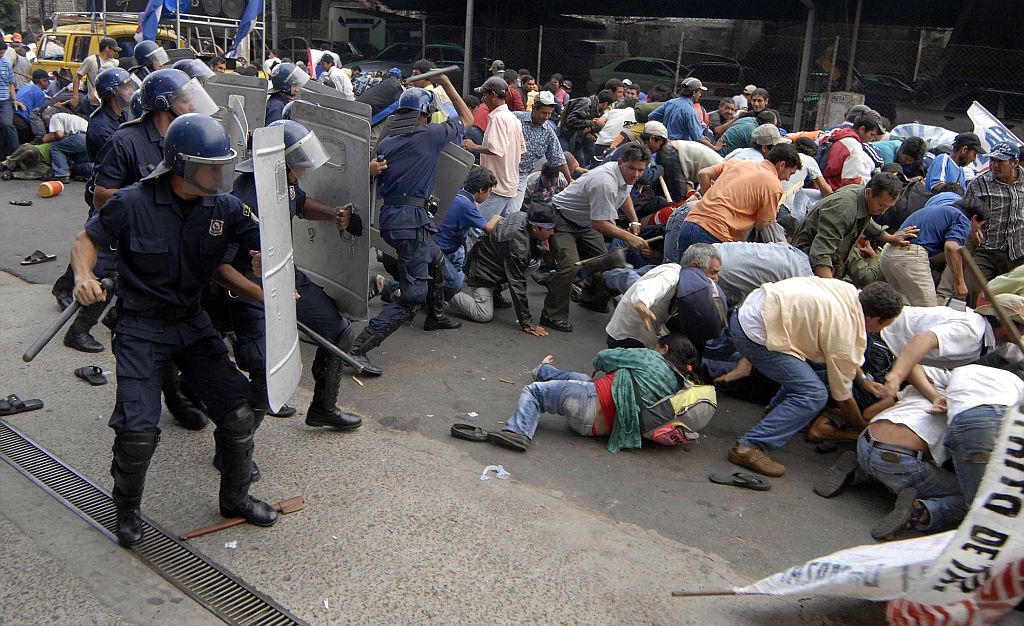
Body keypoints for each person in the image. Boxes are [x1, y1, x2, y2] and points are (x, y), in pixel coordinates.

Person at [70, 113, 278, 547]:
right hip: (141, 327)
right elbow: (87, 241)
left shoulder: (223, 207)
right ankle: (127, 511)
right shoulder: (132, 202)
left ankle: (235, 498)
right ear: (182, 165)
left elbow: (266, 243)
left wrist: (266, 266)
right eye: (209, 167)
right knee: (137, 431)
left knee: (238, 413)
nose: (219, 176)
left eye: (222, 166)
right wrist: (83, 276)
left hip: (192, 322)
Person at [84, 69, 219, 428]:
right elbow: (100, 197)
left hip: (178, 244)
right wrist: (150, 198)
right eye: (185, 100)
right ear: (163, 105)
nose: (193, 106)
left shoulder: (186, 137)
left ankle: (188, 387)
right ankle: (170, 396)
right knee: (148, 324)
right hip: (136, 246)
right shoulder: (125, 141)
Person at [225, 119, 363, 429]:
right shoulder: (243, 198)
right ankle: (236, 443)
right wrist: (261, 291)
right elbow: (221, 263)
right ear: (279, 161)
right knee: (263, 365)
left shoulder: (283, 180)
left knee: (338, 331)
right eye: (297, 163)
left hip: (285, 274)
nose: (302, 170)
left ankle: (323, 409)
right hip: (248, 284)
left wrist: (332, 213)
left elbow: (298, 203)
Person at [347, 77, 475, 372]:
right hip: (411, 224)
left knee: (436, 259)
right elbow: (467, 118)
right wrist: (446, 83)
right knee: (415, 294)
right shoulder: (430, 135)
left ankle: (436, 315)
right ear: (423, 115)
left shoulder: (387, 142)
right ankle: (358, 348)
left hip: (392, 219)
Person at [727, 279, 904, 477]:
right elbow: (843, 399)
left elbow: (843, 358)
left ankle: (779, 411)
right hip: (753, 333)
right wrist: (863, 432)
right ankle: (748, 447)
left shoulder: (849, 292)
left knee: (824, 370)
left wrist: (862, 380)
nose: (882, 331)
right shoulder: (844, 329)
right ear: (874, 319)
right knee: (813, 394)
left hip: (752, 310)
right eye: (885, 324)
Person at [815, 367, 966, 540]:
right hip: (898, 460)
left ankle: (857, 471)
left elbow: (868, 413)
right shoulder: (968, 409)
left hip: (864, 441)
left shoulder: (924, 386)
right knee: (970, 496)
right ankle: (919, 512)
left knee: (895, 465)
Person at [488, 335, 700, 453]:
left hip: (587, 404)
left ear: (664, 349)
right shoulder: (679, 386)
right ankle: (543, 370)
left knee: (534, 392)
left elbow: (603, 357)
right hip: (602, 429)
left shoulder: (651, 358)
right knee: (581, 379)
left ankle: (518, 432)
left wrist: (606, 365)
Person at [540, 144, 652, 332]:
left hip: (584, 222)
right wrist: (628, 237)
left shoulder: (626, 177)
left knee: (606, 260)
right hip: (561, 217)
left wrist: (634, 220)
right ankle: (552, 315)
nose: (636, 174)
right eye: (632, 168)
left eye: (641, 170)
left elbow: (624, 196)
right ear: (620, 162)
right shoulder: (604, 181)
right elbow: (600, 224)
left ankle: (591, 298)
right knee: (570, 265)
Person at [382, 167, 502, 304]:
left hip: (434, 243)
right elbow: (488, 228)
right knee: (454, 283)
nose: (489, 196)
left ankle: (402, 291)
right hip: (434, 248)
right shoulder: (466, 205)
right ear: (481, 190)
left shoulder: (457, 194)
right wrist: (497, 217)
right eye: (489, 192)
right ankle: (395, 290)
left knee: (457, 260)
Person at [672, 143, 801, 259]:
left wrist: (708, 198)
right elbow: (761, 225)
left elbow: (704, 173)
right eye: (790, 173)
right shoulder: (773, 185)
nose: (788, 179)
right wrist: (769, 212)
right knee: (705, 276)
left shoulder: (739, 163)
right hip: (715, 232)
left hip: (690, 222)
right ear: (782, 165)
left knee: (681, 273)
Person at [878, 295, 1022, 398]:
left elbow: (1018, 355)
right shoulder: (972, 331)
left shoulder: (998, 341)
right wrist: (897, 376)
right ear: (1006, 325)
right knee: (878, 395)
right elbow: (923, 340)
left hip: (896, 351)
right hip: (882, 336)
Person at [448, 202, 556, 333]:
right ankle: (446, 291)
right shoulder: (518, 248)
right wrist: (527, 322)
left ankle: (495, 291)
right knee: (483, 314)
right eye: (549, 229)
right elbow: (517, 283)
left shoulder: (523, 216)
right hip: (480, 272)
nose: (552, 232)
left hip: (493, 261)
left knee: (533, 263)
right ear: (535, 228)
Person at [792, 174, 917, 280]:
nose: (883, 211)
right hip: (804, 262)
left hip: (826, 258)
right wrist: (831, 290)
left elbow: (866, 221)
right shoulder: (844, 207)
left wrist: (890, 238)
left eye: (888, 207)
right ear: (869, 193)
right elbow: (821, 254)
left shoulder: (862, 197)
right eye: (881, 205)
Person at [604, 244, 726, 350]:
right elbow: (648, 287)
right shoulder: (672, 274)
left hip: (643, 337)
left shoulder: (684, 283)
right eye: (713, 272)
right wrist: (641, 303)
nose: (716, 279)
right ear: (695, 267)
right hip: (627, 339)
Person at [879, 193, 989, 306]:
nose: (978, 230)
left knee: (902, 308)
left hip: (888, 253)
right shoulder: (963, 219)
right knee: (929, 311)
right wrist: (959, 282)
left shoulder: (942, 209)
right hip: (909, 255)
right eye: (980, 225)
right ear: (974, 218)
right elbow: (951, 247)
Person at [961, 142, 1024, 304]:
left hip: (1018, 252)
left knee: (1014, 299)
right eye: (992, 161)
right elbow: (963, 211)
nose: (994, 166)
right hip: (987, 249)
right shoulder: (979, 183)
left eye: (1000, 162)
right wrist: (972, 228)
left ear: (1015, 162)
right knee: (972, 289)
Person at [461, 77, 526, 220]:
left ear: (493, 95)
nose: (483, 100)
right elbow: (520, 149)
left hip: (497, 187)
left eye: (485, 95)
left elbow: (496, 150)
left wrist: (473, 147)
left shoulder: (498, 118)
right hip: (509, 184)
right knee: (497, 228)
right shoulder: (513, 118)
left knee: (476, 227)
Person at [507, 90, 571, 212]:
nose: (546, 117)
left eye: (549, 113)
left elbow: (558, 157)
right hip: (503, 171)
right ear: (533, 108)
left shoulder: (548, 131)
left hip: (521, 175)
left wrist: (569, 180)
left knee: (512, 212)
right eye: (543, 113)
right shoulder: (514, 118)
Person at [648, 77, 715, 148]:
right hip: (680, 148)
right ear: (694, 93)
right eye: (699, 92)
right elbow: (698, 137)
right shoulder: (690, 111)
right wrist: (714, 147)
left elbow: (651, 116)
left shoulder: (670, 102)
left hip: (665, 145)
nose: (700, 95)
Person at [821, 115, 884, 190]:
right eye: (872, 134)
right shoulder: (854, 145)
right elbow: (850, 181)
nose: (872, 139)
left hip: (821, 184)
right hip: (832, 189)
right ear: (862, 129)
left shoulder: (839, 135)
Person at [559, 89, 614, 167]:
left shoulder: (596, 110)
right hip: (566, 135)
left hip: (579, 138)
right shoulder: (586, 103)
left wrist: (590, 130)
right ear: (606, 104)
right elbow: (571, 120)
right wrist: (589, 122)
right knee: (566, 161)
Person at [71, 37, 121, 113]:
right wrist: (75, 96)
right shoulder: (91, 60)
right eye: (114, 50)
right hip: (94, 103)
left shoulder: (114, 62)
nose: (116, 53)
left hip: (109, 102)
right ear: (107, 48)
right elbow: (77, 77)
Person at [40, 107, 91, 183]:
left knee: (55, 147)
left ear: (49, 116)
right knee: (80, 164)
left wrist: (49, 137)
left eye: (46, 121)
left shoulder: (55, 117)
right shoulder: (72, 117)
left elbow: (59, 135)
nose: (47, 125)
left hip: (79, 137)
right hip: (90, 139)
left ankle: (62, 174)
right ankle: (93, 171)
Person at [0, 41, 23, 162]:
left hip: (4, 100)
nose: (1, 54)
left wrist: (14, 99)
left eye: (3, 52)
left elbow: (11, 84)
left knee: (7, 124)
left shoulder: (6, 64)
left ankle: (16, 154)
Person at [13, 69, 49, 144]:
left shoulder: (25, 88)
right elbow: (35, 115)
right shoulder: (40, 93)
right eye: (47, 81)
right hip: (20, 120)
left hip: (11, 115)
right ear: (42, 81)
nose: (49, 83)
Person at [723, 123, 788, 161]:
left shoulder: (740, 151)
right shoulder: (759, 162)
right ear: (764, 148)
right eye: (775, 147)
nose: (777, 150)